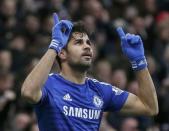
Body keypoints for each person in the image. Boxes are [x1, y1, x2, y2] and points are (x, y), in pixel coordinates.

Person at [21, 13, 158, 131]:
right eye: (79, 43)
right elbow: (28, 92)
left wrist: (139, 62)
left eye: (88, 43)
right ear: (62, 53)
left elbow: (150, 107)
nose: (87, 46)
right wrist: (54, 46)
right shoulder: (49, 83)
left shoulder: (100, 90)